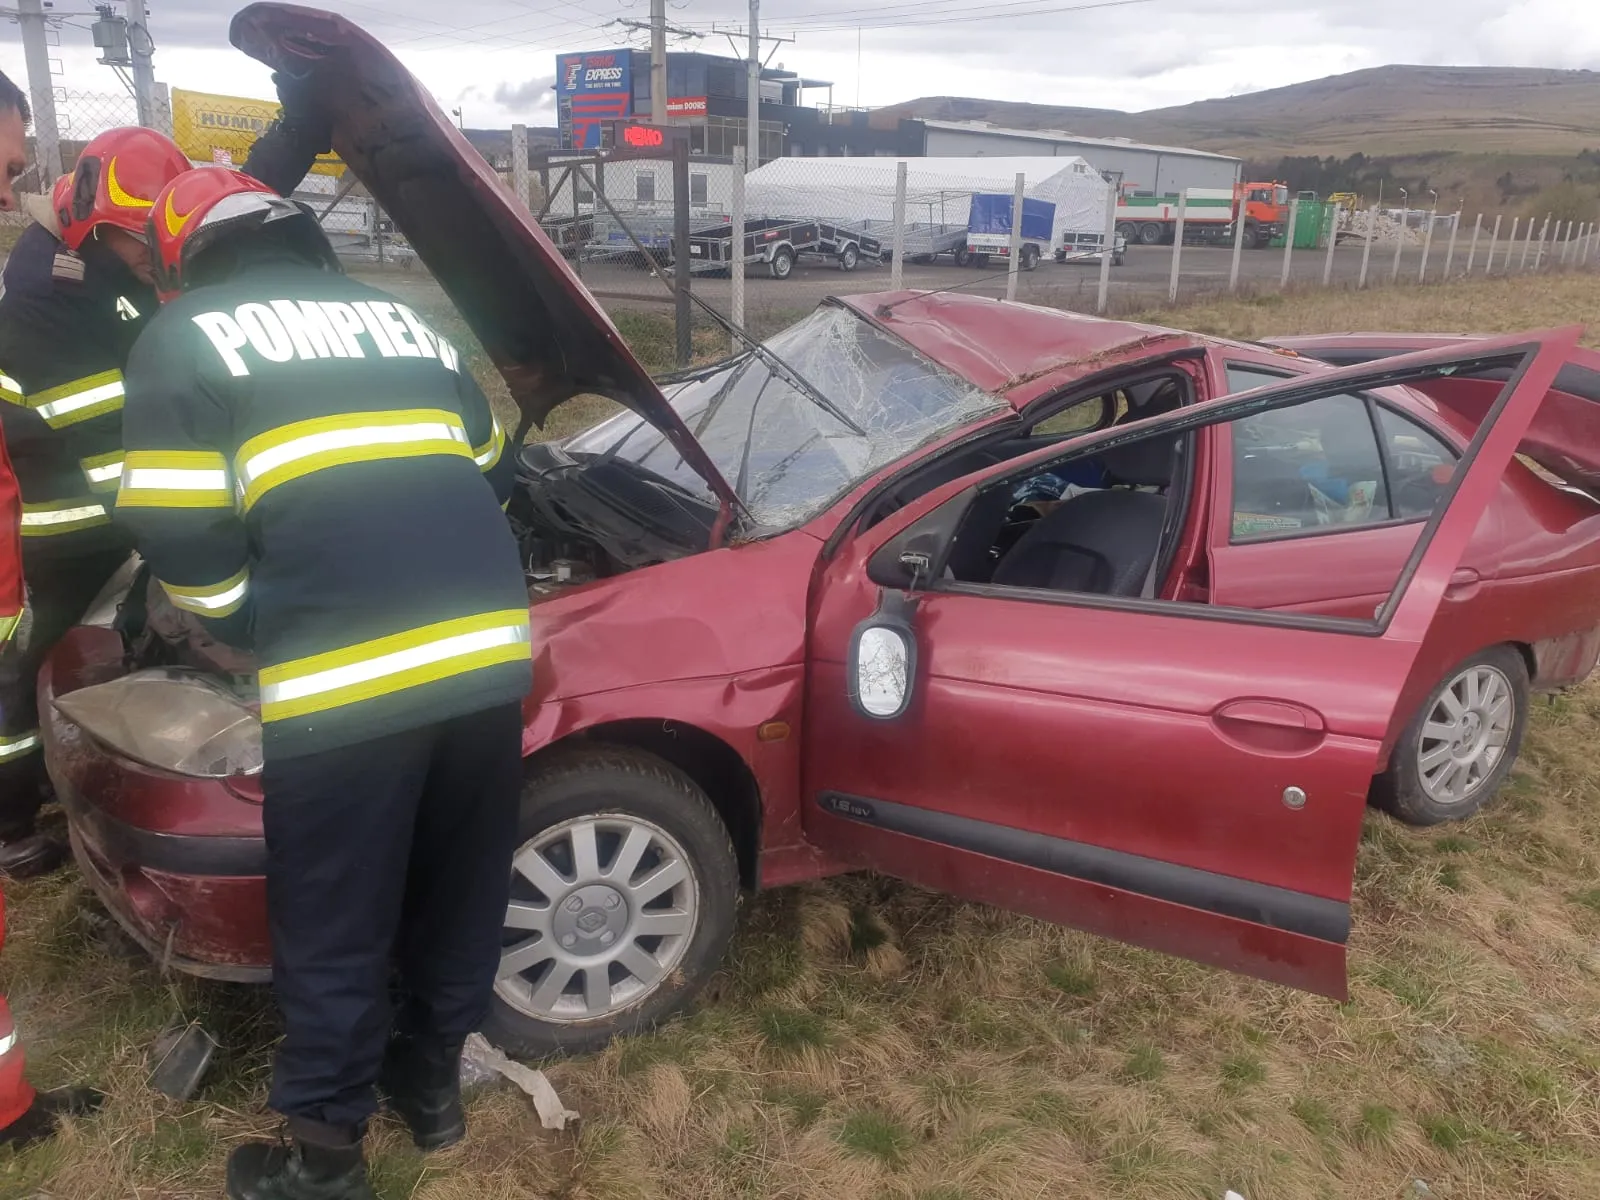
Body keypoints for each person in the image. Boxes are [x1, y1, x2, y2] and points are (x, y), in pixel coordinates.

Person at [117, 166, 529, 1200]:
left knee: (335, 914)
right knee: (458, 883)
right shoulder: (403, 320)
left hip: (345, 680)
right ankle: (431, 1091)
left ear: (190, 259)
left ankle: (326, 1158)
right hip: (484, 656)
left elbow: (175, 524)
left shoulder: (185, 334)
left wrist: (247, 621)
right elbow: (489, 462)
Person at [0, 74, 330, 878]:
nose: (158, 258)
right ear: (97, 229)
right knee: (26, 658)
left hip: (106, 494)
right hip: (56, 516)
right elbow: (118, 460)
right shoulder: (48, 297)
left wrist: (303, 125)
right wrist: (205, 543)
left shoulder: (107, 249)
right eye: (141, 244)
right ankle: (11, 819)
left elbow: (224, 205)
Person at [0, 64, 105, 1152]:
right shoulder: (45, 282)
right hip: (49, 539)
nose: (14, 187)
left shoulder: (42, 267)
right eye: (4, 162)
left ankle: (10, 1110)